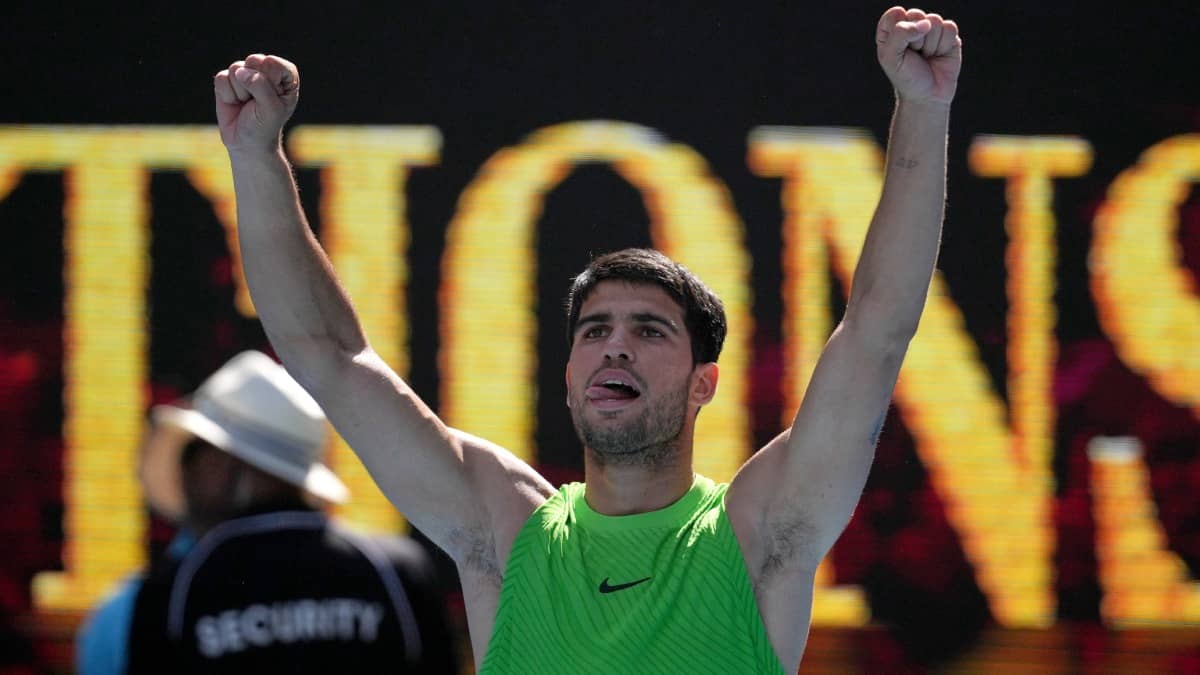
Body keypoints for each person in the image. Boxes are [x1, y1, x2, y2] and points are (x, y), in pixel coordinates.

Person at [212, 6, 961, 672]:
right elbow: (328, 354)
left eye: (649, 329)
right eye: (595, 330)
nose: (615, 346)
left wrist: (921, 108)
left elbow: (876, 327)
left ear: (705, 381)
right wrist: (256, 159)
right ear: (569, 378)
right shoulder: (504, 533)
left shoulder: (758, 535)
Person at [75, 351, 458, 674]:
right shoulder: (396, 574)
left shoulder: (153, 602)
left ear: (228, 467)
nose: (183, 472)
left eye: (193, 451)